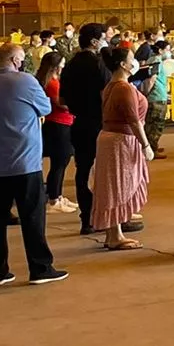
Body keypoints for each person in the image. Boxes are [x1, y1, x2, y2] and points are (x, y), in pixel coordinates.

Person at [0, 43, 66, 286]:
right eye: (21, 59)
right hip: (24, 161)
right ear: (15, 60)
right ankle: (40, 267)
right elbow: (45, 107)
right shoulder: (24, 81)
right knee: (33, 217)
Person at [91, 47, 150, 249]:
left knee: (113, 186)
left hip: (112, 138)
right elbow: (133, 120)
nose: (135, 62)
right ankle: (114, 234)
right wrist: (146, 145)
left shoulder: (112, 86)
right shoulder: (123, 88)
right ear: (124, 65)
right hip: (121, 141)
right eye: (132, 59)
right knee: (118, 186)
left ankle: (114, 232)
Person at [61, 23, 110, 235]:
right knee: (104, 172)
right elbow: (106, 95)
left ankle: (86, 218)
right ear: (94, 41)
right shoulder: (98, 65)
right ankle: (106, 216)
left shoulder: (70, 65)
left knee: (82, 170)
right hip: (99, 124)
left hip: (78, 123)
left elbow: (62, 99)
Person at [37, 50, 77, 213]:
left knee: (62, 162)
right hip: (58, 124)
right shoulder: (52, 84)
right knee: (59, 162)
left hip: (63, 122)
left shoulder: (53, 81)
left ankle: (58, 195)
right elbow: (61, 103)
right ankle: (53, 198)